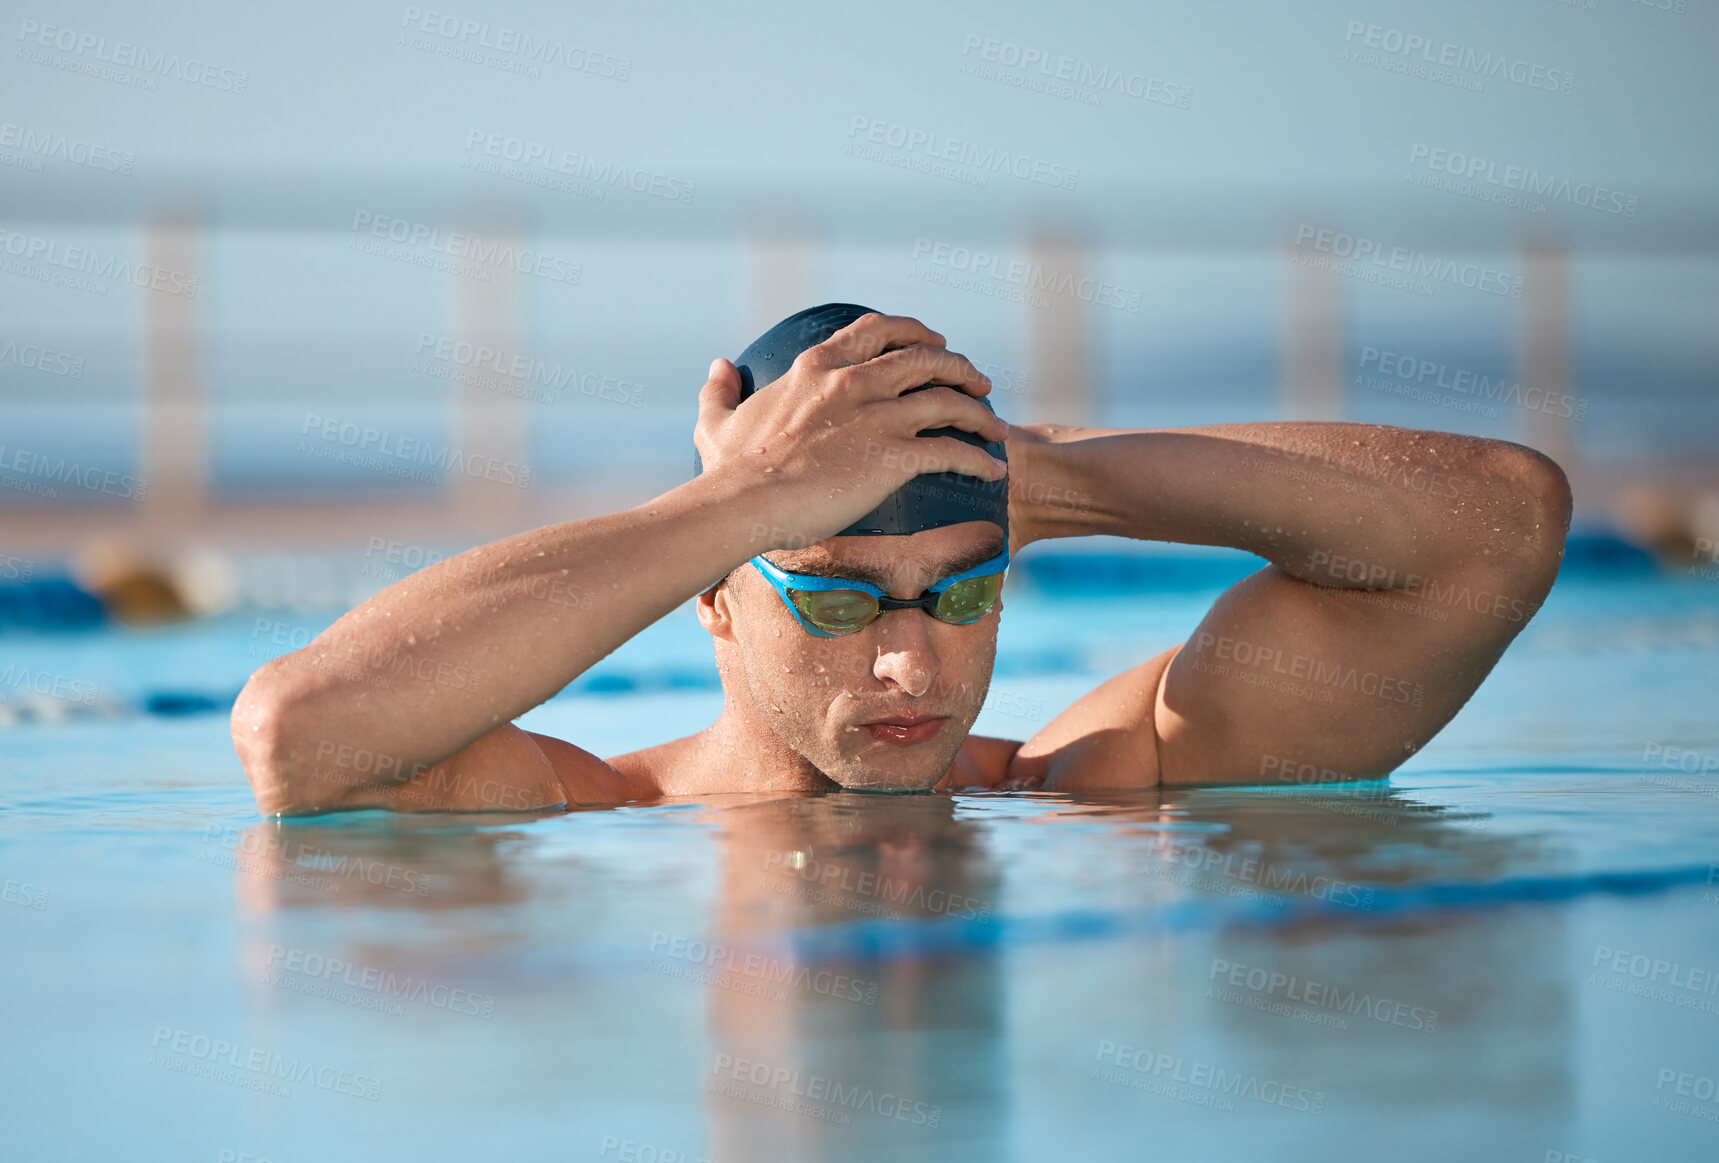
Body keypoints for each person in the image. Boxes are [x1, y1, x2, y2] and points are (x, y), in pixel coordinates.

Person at [230, 305, 1572, 815]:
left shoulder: (1088, 787)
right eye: (827, 590)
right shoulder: (584, 811)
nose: (908, 659)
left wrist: (1039, 474)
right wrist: (743, 498)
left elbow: (1498, 525)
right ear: (712, 594)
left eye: (966, 590)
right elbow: (302, 737)